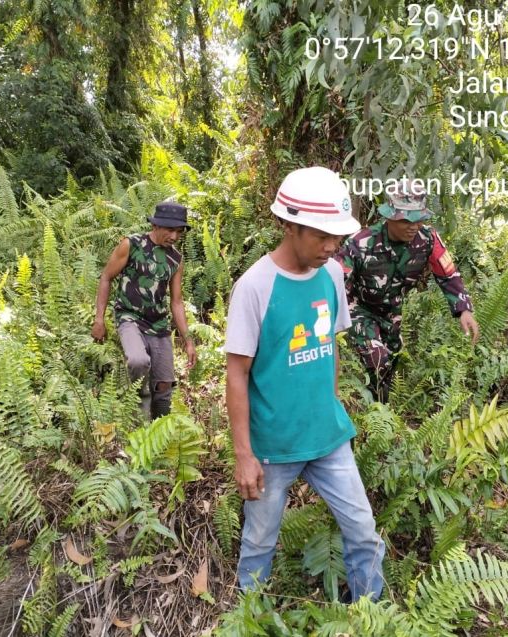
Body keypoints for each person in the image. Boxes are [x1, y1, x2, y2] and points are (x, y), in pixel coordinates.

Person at [225, 166, 385, 602]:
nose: (332, 247)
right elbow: (236, 373)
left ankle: (370, 619)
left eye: (337, 237)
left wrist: (330, 402)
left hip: (328, 436)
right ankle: (249, 618)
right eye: (321, 236)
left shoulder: (332, 274)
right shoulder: (254, 287)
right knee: (259, 541)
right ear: (289, 225)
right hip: (272, 446)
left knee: (363, 532)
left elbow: (329, 344)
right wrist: (245, 455)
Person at [335, 182, 480, 402]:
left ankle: (383, 405)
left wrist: (463, 310)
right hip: (359, 308)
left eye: (418, 219)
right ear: (390, 217)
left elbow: (447, 274)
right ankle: (376, 415)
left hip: (392, 311)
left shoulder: (427, 239)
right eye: (406, 220)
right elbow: (334, 280)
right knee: (378, 359)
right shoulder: (361, 243)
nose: (413, 226)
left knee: (393, 360)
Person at [92, 202, 197, 420]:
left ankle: (160, 431)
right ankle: (140, 416)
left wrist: (188, 340)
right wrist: (99, 320)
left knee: (164, 385)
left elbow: (176, 302)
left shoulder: (175, 259)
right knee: (138, 361)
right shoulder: (131, 245)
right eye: (170, 229)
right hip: (129, 317)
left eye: (179, 231)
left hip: (158, 324)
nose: (175, 236)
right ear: (156, 225)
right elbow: (106, 277)